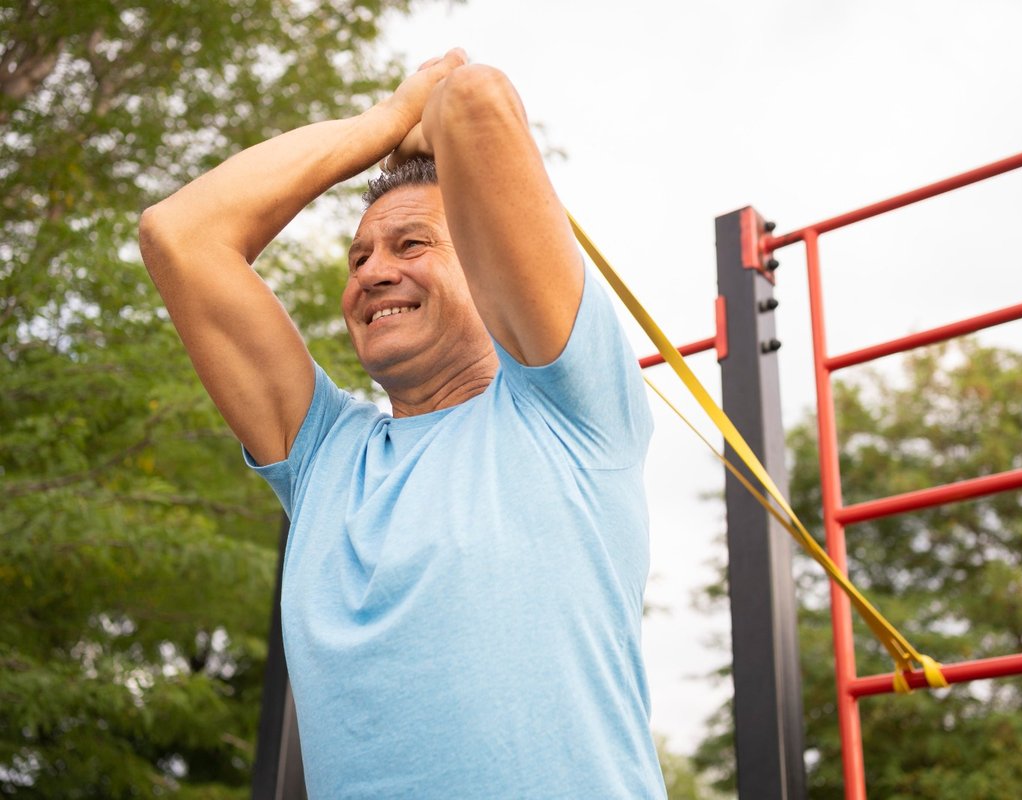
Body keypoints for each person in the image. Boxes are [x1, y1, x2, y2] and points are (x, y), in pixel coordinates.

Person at [139, 49, 666, 798]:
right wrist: (385, 122)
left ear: (484, 264)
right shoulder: (325, 458)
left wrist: (432, 120)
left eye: (410, 243)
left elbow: (475, 99)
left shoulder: (570, 408)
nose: (372, 272)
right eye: (358, 258)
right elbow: (178, 234)